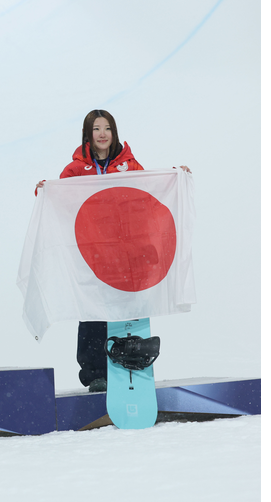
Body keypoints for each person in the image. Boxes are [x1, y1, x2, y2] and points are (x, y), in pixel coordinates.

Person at [36, 109, 190, 391]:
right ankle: (95, 372)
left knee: (129, 307)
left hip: (128, 253)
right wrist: (44, 190)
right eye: (96, 129)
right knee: (93, 310)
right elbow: (60, 201)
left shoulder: (129, 165)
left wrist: (174, 177)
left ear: (114, 132)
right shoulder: (75, 169)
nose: (103, 134)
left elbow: (149, 195)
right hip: (93, 254)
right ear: (88, 134)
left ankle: (132, 360)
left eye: (107, 128)